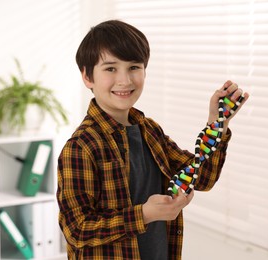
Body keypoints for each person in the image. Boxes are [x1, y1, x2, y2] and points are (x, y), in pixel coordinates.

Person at [56, 19, 249, 260]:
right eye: (110, 69)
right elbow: (77, 230)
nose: (125, 80)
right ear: (87, 76)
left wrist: (217, 123)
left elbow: (203, 178)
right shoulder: (80, 148)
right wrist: (144, 214)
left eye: (134, 67)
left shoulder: (149, 131)